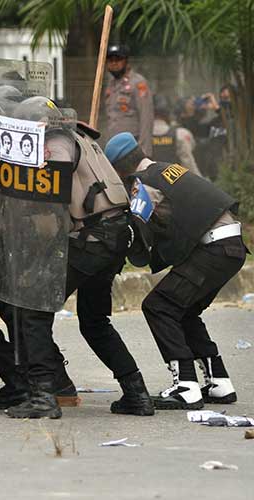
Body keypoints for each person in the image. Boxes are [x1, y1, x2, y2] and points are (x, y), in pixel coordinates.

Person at [4, 98, 155, 420]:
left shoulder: (56, 146)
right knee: (94, 320)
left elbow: (51, 204)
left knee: (32, 308)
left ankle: (45, 395)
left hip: (93, 238)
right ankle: (137, 393)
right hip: (115, 235)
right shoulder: (81, 140)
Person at [105, 132, 246, 410]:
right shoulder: (167, 169)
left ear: (119, 169)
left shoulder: (142, 184)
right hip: (233, 246)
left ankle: (186, 386)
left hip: (213, 247)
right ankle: (218, 381)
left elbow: (137, 229)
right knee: (184, 309)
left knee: (159, 306)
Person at [104, 44, 153, 157]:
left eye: (118, 59)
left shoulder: (138, 83)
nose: (114, 63)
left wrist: (144, 152)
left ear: (126, 61)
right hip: (114, 145)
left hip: (132, 147)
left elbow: (146, 118)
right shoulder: (111, 85)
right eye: (110, 60)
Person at [151, 94, 201, 176]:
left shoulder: (141, 138)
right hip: (174, 183)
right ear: (169, 112)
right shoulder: (181, 134)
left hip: (147, 183)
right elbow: (188, 163)